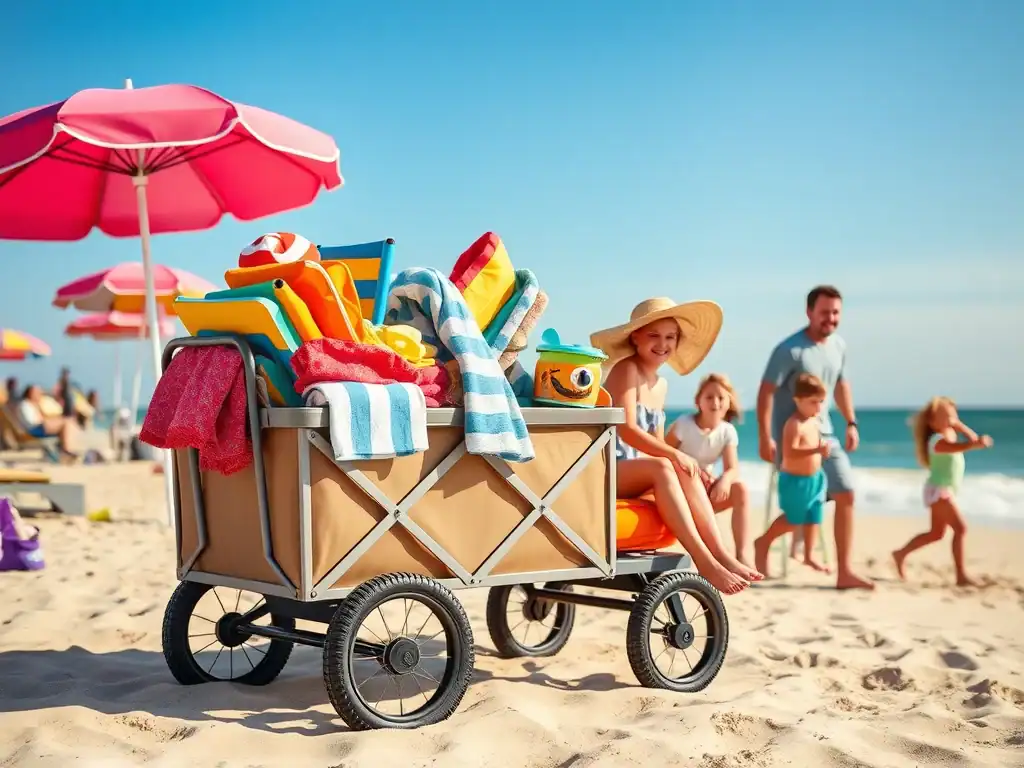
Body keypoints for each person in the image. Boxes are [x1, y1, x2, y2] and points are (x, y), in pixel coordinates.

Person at [591, 297, 763, 596]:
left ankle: (721, 554)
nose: (663, 344)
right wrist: (676, 454)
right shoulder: (625, 369)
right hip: (607, 469)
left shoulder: (661, 384)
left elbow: (655, 443)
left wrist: (691, 470)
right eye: (654, 336)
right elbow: (628, 431)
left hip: (634, 472)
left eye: (670, 337)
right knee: (667, 462)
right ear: (636, 338)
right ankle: (704, 560)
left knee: (681, 468)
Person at [756, 285, 873, 590]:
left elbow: (841, 386)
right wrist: (764, 437)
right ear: (809, 312)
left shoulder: (839, 347)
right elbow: (765, 393)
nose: (830, 318)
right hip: (792, 442)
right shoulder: (789, 350)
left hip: (826, 437)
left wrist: (851, 422)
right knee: (800, 510)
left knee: (846, 491)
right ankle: (774, 544)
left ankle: (843, 571)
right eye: (824, 312)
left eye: (835, 313)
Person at [891, 397, 993, 586]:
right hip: (939, 491)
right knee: (961, 529)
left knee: (936, 534)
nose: (950, 419)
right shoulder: (936, 441)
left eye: (953, 415)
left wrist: (960, 426)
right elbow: (960, 447)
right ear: (932, 422)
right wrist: (974, 444)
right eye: (945, 416)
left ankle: (900, 553)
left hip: (943, 490)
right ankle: (961, 575)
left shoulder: (952, 434)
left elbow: (972, 440)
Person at [665, 373, 752, 567]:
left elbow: (732, 468)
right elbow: (663, 455)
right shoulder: (684, 425)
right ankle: (715, 556)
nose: (715, 402)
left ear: (729, 402)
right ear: (698, 401)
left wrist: (724, 480)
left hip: (706, 490)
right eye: (709, 397)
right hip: (681, 491)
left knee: (741, 490)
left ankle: (743, 555)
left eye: (721, 398)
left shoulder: (727, 431)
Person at [754, 374, 833, 576]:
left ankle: (808, 554)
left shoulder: (814, 422)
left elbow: (814, 448)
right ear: (798, 400)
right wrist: (816, 450)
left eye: (821, 402)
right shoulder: (794, 424)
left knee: (814, 516)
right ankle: (763, 542)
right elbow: (790, 452)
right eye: (813, 402)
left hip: (815, 479)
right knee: (793, 519)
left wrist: (822, 452)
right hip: (795, 481)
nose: (819, 407)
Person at [16, 384, 78, 457]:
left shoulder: (34, 404)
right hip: (34, 430)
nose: (39, 394)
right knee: (65, 422)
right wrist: (49, 420)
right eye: (37, 392)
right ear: (30, 393)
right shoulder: (25, 405)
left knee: (66, 422)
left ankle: (63, 448)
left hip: (39, 427)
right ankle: (65, 449)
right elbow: (32, 422)